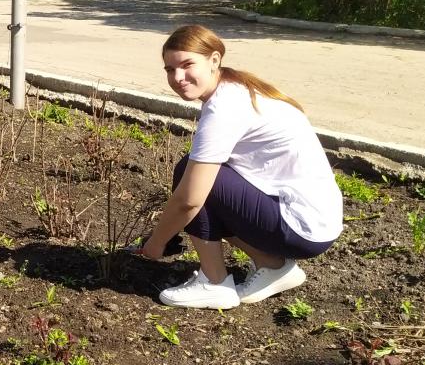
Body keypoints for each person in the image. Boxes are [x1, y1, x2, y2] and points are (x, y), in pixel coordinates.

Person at [139, 24, 343, 310]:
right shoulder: (237, 88)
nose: (177, 77)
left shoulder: (224, 107)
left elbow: (189, 201)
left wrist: (156, 243)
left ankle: (214, 283)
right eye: (170, 69)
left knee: (192, 177)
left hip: (301, 227)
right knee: (203, 178)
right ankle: (272, 265)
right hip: (315, 219)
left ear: (214, 60)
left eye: (187, 65)